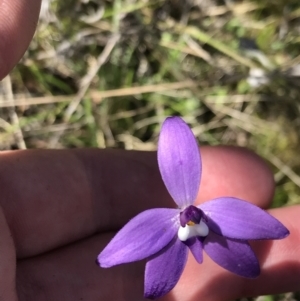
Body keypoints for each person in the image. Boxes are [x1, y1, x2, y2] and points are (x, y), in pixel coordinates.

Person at [0, 1, 299, 300]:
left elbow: (260, 240)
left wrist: (268, 231)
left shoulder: (204, 221)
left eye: (191, 221)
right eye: (191, 220)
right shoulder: (174, 225)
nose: (190, 219)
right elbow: (118, 257)